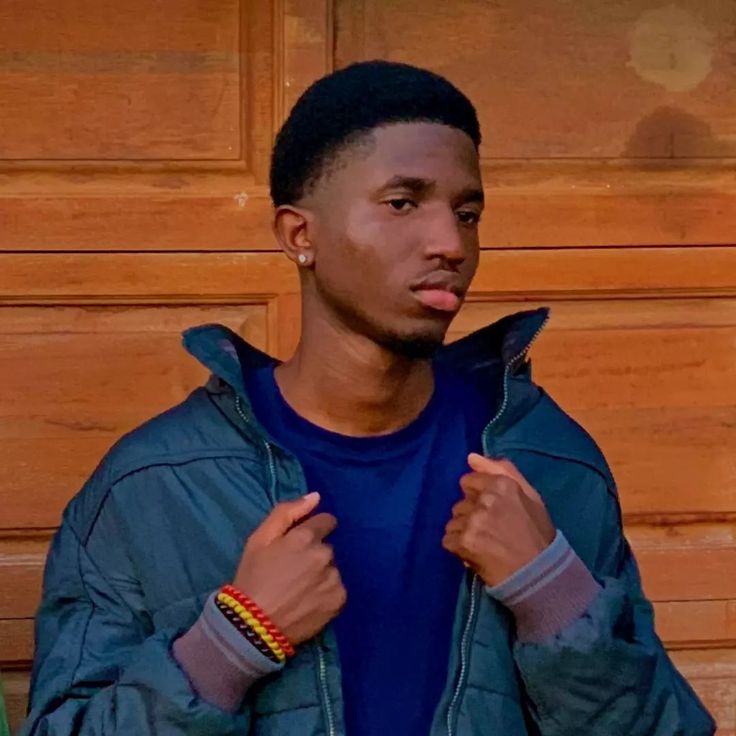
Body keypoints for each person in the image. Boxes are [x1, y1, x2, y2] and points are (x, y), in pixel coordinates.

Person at [22, 61, 715, 736]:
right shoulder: (153, 485)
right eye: (402, 203)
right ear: (301, 235)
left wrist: (551, 593)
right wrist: (234, 640)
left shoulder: (548, 463)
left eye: (467, 213)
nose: (450, 243)